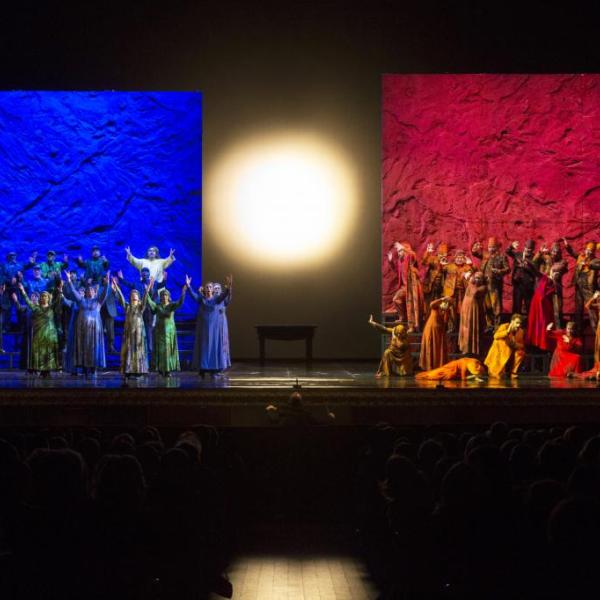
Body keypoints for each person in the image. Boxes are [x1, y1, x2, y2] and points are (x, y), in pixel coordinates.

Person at [64, 271, 109, 377]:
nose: (90, 291)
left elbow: (104, 294)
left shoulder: (98, 301)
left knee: (94, 347)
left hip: (94, 329)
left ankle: (93, 369)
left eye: (92, 290)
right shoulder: (81, 300)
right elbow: (74, 292)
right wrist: (69, 281)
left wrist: (107, 283)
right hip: (82, 329)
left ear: (95, 292)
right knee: (83, 347)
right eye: (88, 290)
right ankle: (84, 369)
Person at [186, 275, 233, 377]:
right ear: (204, 289)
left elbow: (224, 295)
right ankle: (203, 368)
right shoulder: (201, 299)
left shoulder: (216, 299)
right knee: (203, 347)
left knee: (214, 347)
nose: (208, 289)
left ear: (212, 290)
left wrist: (229, 287)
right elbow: (193, 296)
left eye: (210, 287)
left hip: (214, 329)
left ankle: (214, 369)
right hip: (203, 328)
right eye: (207, 287)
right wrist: (188, 286)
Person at [16, 282, 62, 377]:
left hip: (50, 335)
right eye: (42, 296)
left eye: (45, 296)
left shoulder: (51, 308)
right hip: (39, 335)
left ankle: (47, 371)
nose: (43, 298)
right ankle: (41, 371)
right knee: (40, 353)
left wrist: (60, 291)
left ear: (48, 298)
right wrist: (22, 290)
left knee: (49, 353)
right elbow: (28, 301)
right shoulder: (36, 308)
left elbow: (57, 301)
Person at [145, 278, 186, 377]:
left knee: (168, 351)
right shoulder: (158, 306)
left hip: (169, 332)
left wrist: (184, 292)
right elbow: (149, 302)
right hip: (159, 332)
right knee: (160, 350)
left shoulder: (172, 305)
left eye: (166, 295)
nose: (164, 296)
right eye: (162, 295)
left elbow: (180, 303)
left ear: (169, 296)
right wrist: (147, 291)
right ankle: (159, 369)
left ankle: (168, 370)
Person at [112, 278, 149, 378]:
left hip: (138, 331)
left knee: (138, 349)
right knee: (128, 349)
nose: (133, 296)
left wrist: (146, 291)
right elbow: (121, 299)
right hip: (129, 331)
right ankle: (128, 370)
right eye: (132, 295)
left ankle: (138, 370)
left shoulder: (140, 307)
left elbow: (145, 301)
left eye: (135, 295)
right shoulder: (127, 306)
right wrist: (117, 287)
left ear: (138, 297)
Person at [117, 267, 156, 362]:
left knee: (148, 334)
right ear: (141, 274)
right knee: (138, 333)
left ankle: (149, 359)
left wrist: (151, 287)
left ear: (149, 274)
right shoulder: (136, 284)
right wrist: (121, 279)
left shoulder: (152, 285)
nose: (145, 275)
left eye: (147, 273)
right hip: (137, 312)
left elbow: (154, 297)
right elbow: (128, 284)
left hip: (148, 312)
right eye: (143, 273)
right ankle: (137, 356)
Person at [472, 237, 510, 329]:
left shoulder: (502, 256)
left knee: (495, 305)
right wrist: (475, 247)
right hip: (484, 283)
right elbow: (475, 253)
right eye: (489, 247)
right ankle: (489, 323)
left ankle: (497, 324)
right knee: (486, 304)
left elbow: (508, 269)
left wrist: (498, 271)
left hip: (494, 285)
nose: (491, 249)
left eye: (493, 247)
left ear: (497, 247)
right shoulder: (485, 254)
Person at [564, 239, 600, 331]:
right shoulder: (581, 257)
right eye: (587, 250)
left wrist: (588, 265)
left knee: (592, 311)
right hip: (579, 287)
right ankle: (578, 333)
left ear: (593, 251)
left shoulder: (596, 260)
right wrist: (567, 245)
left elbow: (597, 266)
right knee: (578, 311)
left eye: (591, 250)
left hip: (588, 288)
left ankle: (596, 331)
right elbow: (573, 253)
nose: (588, 252)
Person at [387, 241, 423, 332]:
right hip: (404, 287)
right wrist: (391, 261)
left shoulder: (409, 258)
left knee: (411, 305)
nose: (399, 253)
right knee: (396, 299)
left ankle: (412, 326)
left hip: (412, 286)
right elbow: (396, 270)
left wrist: (403, 247)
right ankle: (402, 317)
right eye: (398, 251)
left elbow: (412, 254)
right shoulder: (400, 261)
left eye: (400, 251)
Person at [534, 241, 568, 328]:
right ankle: (544, 329)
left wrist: (548, 262)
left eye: (557, 252)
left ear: (559, 253)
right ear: (551, 251)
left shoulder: (562, 261)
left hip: (556, 288)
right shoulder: (545, 257)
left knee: (557, 309)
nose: (555, 254)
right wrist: (540, 252)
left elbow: (558, 267)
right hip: (545, 288)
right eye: (553, 251)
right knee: (544, 309)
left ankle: (558, 329)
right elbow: (534, 262)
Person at [484, 314, 526, 378]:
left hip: (511, 350)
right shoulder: (504, 326)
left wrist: (514, 344)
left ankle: (513, 372)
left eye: (520, 323)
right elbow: (496, 336)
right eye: (517, 323)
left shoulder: (520, 331)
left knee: (521, 352)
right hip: (501, 351)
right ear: (512, 322)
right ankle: (497, 370)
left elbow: (522, 345)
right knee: (501, 342)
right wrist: (507, 331)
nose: (518, 325)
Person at [419, 296, 453, 371]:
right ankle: (430, 366)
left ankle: (438, 365)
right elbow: (431, 304)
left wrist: (446, 310)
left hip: (439, 331)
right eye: (447, 302)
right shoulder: (436, 306)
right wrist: (441, 299)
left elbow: (445, 321)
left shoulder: (446, 310)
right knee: (431, 346)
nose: (447, 304)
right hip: (431, 329)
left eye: (449, 303)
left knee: (438, 349)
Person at [506, 239, 538, 317]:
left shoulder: (535, 258)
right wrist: (511, 246)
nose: (528, 250)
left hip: (528, 286)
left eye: (530, 249)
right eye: (527, 248)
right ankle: (515, 324)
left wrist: (527, 266)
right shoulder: (518, 255)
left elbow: (536, 271)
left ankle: (529, 325)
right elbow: (507, 251)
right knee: (516, 305)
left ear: (533, 249)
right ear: (524, 247)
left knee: (529, 306)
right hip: (518, 284)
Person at [458, 271, 487, 356]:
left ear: (482, 280)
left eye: (479, 278)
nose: (476, 279)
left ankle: (473, 349)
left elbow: (475, 293)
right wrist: (466, 275)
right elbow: (462, 275)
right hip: (465, 308)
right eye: (476, 277)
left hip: (474, 310)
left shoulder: (483, 287)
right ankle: (464, 348)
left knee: (471, 327)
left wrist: (470, 280)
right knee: (465, 327)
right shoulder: (471, 283)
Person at [442, 249, 473, 326]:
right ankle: (451, 326)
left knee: (463, 309)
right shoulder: (450, 266)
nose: (459, 259)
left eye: (461, 258)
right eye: (458, 258)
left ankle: (462, 325)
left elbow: (473, 272)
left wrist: (470, 265)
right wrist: (441, 262)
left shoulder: (467, 267)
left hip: (463, 292)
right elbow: (441, 269)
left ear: (464, 259)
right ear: (455, 258)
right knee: (451, 309)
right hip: (451, 292)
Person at [527, 273, 555, 351]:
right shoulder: (544, 281)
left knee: (541, 324)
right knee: (540, 324)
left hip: (544, 304)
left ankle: (540, 344)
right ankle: (540, 344)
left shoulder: (545, 282)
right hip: (542, 304)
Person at [421, 242, 448, 313]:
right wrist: (428, 252)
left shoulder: (446, 261)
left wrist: (444, 266)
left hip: (440, 286)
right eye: (441, 254)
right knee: (429, 301)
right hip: (431, 284)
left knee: (439, 302)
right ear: (438, 253)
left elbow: (447, 273)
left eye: (444, 254)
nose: (442, 256)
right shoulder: (433, 259)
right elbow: (424, 262)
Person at [213, 282, 232, 370]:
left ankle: (223, 364)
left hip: (222, 321)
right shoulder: (212, 298)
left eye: (218, 288)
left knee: (223, 341)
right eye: (215, 288)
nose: (216, 290)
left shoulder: (222, 297)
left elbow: (228, 301)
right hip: (214, 321)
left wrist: (229, 289)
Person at [415, 357, 486, 381]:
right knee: (433, 375)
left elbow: (478, 372)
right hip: (450, 370)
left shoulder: (475, 361)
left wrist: (476, 376)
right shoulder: (466, 365)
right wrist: (474, 377)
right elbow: (463, 378)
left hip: (453, 369)